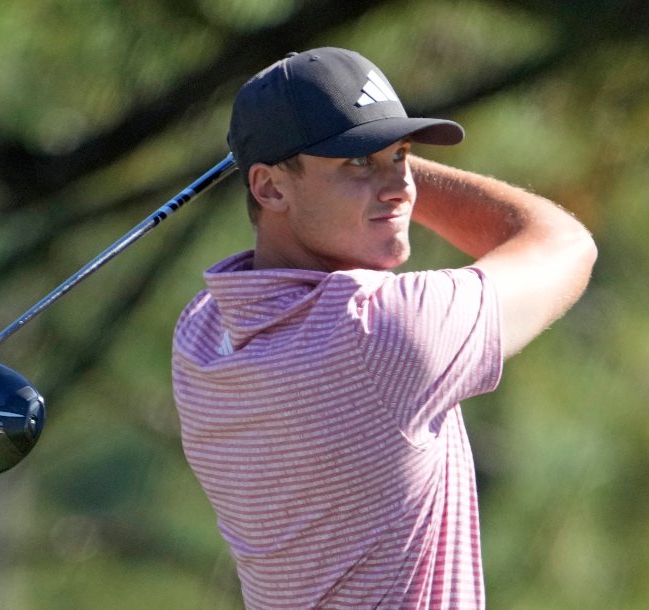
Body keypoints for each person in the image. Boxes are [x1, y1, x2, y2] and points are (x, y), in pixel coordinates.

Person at [171, 47, 596, 609]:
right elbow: (565, 244)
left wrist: (356, 156)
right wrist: (395, 159)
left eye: (401, 155)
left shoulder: (201, 340)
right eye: (356, 163)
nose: (400, 187)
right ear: (269, 188)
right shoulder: (380, 331)